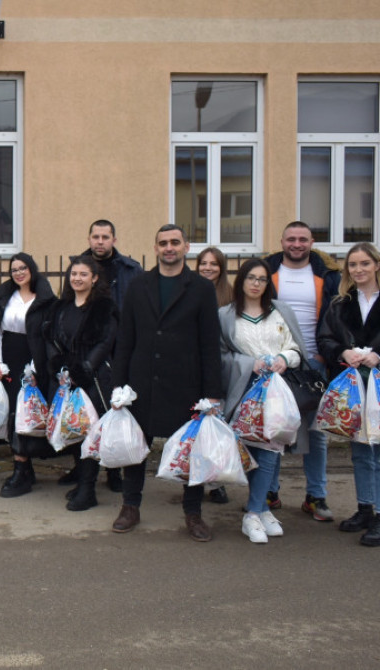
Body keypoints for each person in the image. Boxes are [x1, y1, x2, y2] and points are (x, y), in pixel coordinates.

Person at [110, 224, 223, 542]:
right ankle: (130, 506)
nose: (169, 248)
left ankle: (193, 512)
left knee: (191, 450)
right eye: (163, 243)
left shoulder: (201, 288)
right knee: (136, 447)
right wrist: (118, 385)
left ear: (186, 247)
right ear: (156, 248)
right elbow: (126, 338)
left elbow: (210, 344)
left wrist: (212, 394)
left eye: (175, 242)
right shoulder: (139, 285)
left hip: (186, 383)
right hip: (142, 382)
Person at [219, 259, 308, 544]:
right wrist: (249, 363)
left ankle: (254, 513)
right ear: (241, 280)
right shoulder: (225, 315)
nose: (256, 284)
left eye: (262, 279)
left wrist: (283, 358)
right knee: (250, 450)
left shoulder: (280, 311)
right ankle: (261, 509)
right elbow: (220, 355)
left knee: (271, 448)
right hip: (244, 389)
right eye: (251, 278)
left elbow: (296, 349)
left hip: (277, 392)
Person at [266, 221, 340, 521]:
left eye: (303, 239)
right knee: (274, 429)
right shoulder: (267, 270)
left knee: (316, 433)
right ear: (281, 241)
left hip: (315, 363)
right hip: (278, 362)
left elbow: (334, 316)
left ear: (312, 242)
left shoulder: (328, 275)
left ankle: (316, 496)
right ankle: (269, 491)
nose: (296, 244)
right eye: (291, 239)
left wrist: (324, 355)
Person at [0, 253, 57, 499]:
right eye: (14, 270)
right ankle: (23, 468)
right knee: (11, 415)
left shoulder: (45, 301)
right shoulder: (4, 299)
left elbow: (46, 338)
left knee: (26, 414)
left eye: (23, 268)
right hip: (8, 361)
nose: (19, 273)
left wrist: (34, 369)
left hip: (33, 363)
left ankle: (21, 471)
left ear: (32, 269)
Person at [317, 242, 380, 546]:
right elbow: (325, 338)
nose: (358, 269)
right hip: (354, 386)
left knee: (379, 451)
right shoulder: (340, 303)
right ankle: (365, 508)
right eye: (353, 265)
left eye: (364, 263)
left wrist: (378, 354)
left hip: (378, 384)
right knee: (360, 451)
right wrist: (343, 352)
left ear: (376, 265)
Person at [44, 255, 117, 511]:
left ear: (94, 278)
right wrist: (60, 366)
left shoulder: (104, 307)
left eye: (83, 274)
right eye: (73, 274)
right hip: (67, 380)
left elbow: (106, 342)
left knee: (90, 433)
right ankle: (81, 479)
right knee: (73, 429)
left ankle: (88, 489)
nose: (77, 278)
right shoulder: (61, 307)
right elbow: (50, 339)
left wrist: (85, 368)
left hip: (93, 378)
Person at [80, 219, 142, 493]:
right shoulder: (79, 266)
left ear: (114, 240)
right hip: (88, 349)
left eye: (105, 237)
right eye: (96, 236)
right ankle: (82, 468)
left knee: (116, 407)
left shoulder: (131, 270)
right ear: (89, 238)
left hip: (121, 348)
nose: (100, 241)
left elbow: (140, 309)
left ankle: (115, 470)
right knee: (87, 411)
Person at [197, 245, 233, 505]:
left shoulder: (229, 295)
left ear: (221, 268)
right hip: (195, 367)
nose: (208, 268)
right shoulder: (191, 291)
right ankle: (197, 477)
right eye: (203, 263)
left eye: (213, 263)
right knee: (199, 426)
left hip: (224, 367)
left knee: (219, 426)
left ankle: (217, 482)